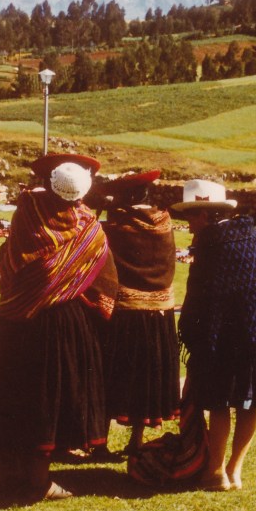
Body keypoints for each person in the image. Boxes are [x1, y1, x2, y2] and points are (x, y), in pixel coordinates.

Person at [0, 153, 117, 502]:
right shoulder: (91, 231)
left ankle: (18, 472)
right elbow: (105, 284)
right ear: (83, 192)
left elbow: (8, 259)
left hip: (15, 320)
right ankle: (38, 481)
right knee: (47, 399)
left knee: (17, 393)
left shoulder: (27, 213)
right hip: (60, 325)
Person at [174, 179, 256, 492]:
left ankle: (216, 472)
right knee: (246, 404)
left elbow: (200, 297)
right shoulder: (249, 235)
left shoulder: (212, 245)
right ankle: (234, 470)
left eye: (190, 217)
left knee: (220, 402)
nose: (188, 225)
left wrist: (193, 334)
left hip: (232, 337)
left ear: (205, 215)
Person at [100, 169, 180, 456]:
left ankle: (101, 440)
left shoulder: (118, 227)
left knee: (112, 374)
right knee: (147, 378)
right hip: (159, 315)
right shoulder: (165, 224)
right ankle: (136, 439)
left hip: (125, 315)